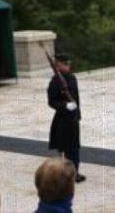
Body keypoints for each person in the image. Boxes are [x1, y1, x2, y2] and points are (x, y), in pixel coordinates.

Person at [47, 53, 86, 183]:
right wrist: (65, 105)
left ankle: (73, 172)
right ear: (58, 65)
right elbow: (51, 101)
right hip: (63, 119)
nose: (68, 66)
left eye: (68, 63)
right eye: (65, 64)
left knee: (74, 147)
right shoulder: (55, 81)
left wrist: (78, 114)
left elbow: (76, 98)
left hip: (73, 119)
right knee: (66, 147)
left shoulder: (72, 78)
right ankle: (67, 173)